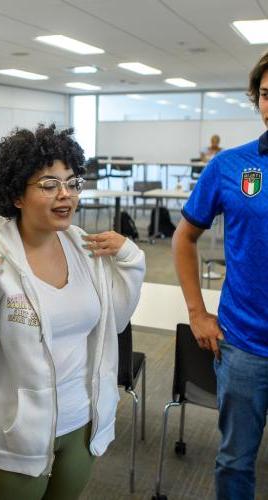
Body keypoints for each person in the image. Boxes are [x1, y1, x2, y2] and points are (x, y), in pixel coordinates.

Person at [0, 124, 145, 500]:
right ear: (17, 194)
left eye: (72, 183)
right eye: (49, 184)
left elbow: (112, 324)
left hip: (81, 421)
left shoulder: (85, 250)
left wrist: (132, 262)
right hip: (12, 432)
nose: (65, 194)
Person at [173, 52, 268, 500]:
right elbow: (183, 237)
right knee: (235, 461)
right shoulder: (230, 166)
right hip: (245, 343)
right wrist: (197, 312)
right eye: (267, 95)